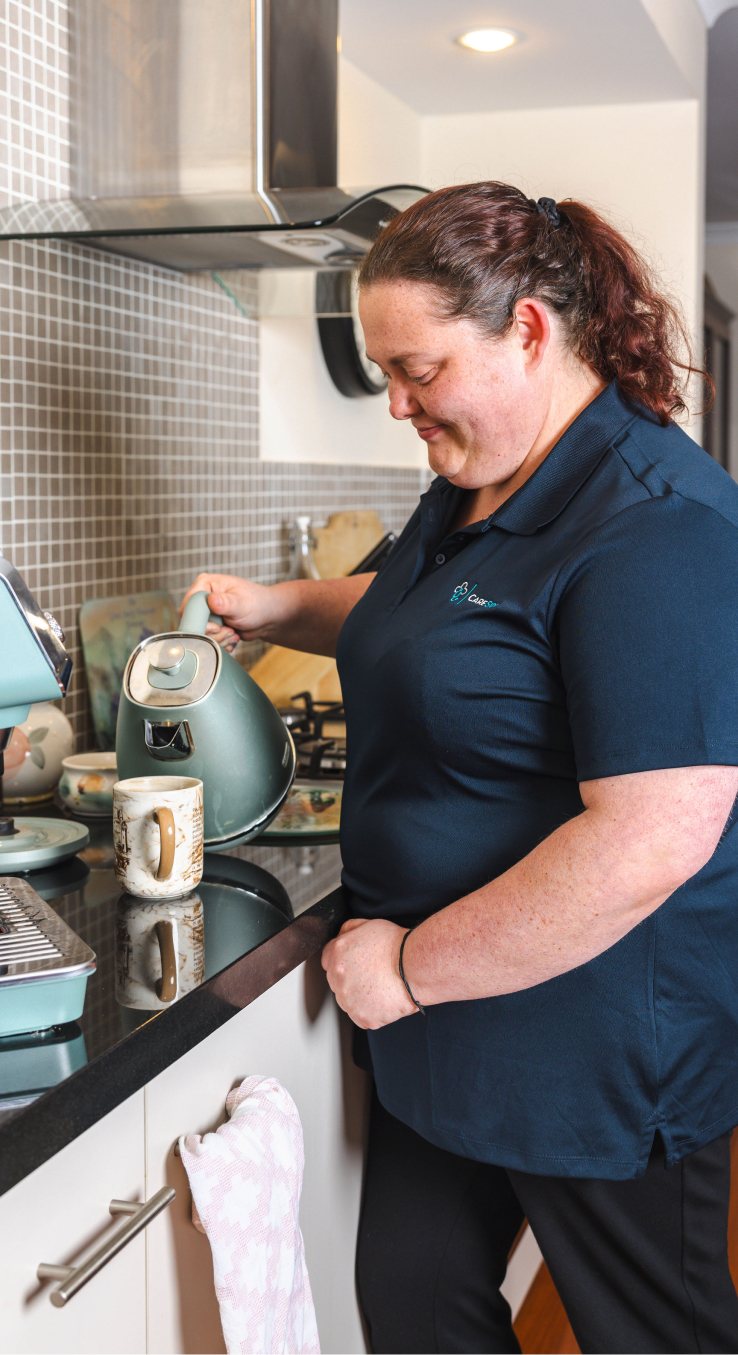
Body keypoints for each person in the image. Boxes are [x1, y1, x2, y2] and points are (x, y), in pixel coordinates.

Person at [182, 183, 738, 1354]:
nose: (396, 402)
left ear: (529, 328)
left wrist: (414, 966)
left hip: (588, 1037)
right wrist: (277, 604)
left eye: (418, 368)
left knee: (657, 1333)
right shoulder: (479, 480)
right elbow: (421, 613)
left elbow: (654, 835)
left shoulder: (655, 528)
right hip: (443, 1025)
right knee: (418, 1313)